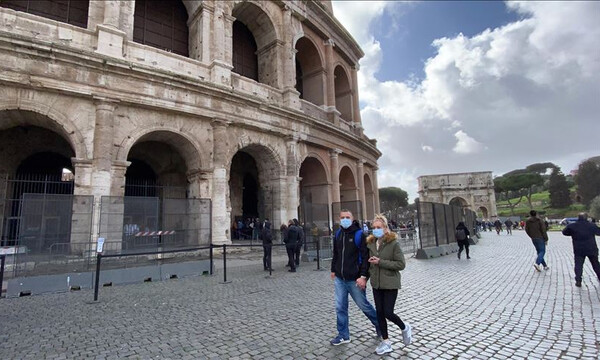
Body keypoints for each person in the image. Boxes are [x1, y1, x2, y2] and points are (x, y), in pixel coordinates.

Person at [330, 209, 379, 346]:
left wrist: (363, 276)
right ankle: (343, 334)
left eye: (347, 217)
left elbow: (365, 257)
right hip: (340, 278)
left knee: (364, 305)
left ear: (352, 219)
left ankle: (379, 324)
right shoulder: (338, 234)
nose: (344, 219)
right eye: (342, 217)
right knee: (340, 307)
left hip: (355, 279)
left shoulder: (359, 235)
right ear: (339, 219)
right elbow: (336, 254)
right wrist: (333, 269)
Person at [366, 214, 411, 355]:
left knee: (388, 312)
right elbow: (368, 264)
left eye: (379, 227)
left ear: (385, 228)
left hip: (390, 282)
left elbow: (401, 264)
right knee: (379, 312)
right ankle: (386, 342)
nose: (376, 230)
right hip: (376, 283)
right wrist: (364, 276)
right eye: (374, 227)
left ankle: (404, 327)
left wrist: (380, 262)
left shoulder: (394, 243)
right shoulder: (371, 243)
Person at [562, 213, 600, 287]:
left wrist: (572, 233)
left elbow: (564, 232)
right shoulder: (591, 225)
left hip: (579, 249)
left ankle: (578, 280)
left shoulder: (572, 226)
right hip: (591, 248)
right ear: (586, 218)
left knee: (578, 265)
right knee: (596, 264)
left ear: (578, 218)